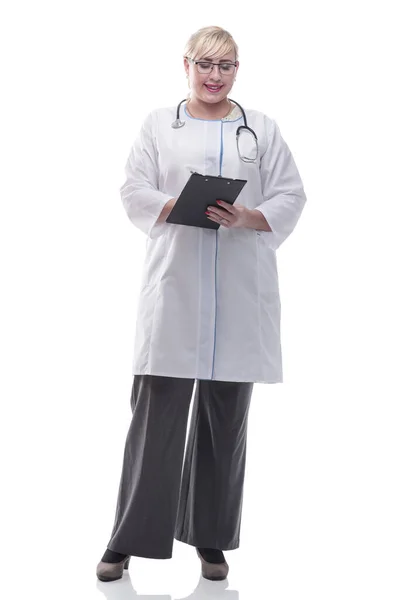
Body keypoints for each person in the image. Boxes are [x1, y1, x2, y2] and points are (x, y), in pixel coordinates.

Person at [96, 25, 307, 583]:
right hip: (177, 288)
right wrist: (178, 205)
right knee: (155, 418)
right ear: (185, 65)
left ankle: (211, 538)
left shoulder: (259, 129)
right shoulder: (158, 125)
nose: (215, 76)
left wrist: (246, 217)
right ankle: (126, 540)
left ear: (237, 70)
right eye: (205, 64)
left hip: (239, 292)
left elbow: (291, 194)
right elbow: (132, 190)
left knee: (225, 422)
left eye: (227, 66)